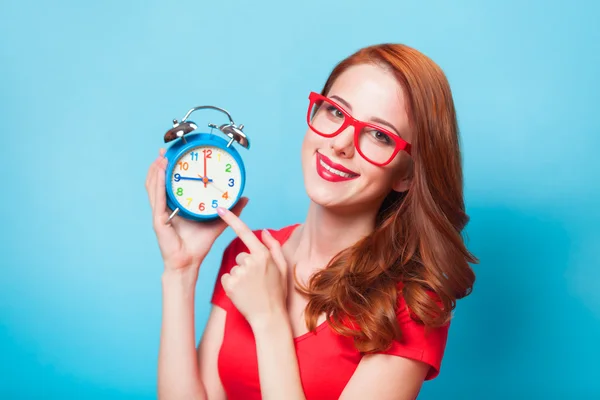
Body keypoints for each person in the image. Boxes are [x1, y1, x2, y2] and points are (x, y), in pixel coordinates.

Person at [145, 43, 477, 400]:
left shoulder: (411, 306)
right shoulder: (249, 254)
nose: (341, 144)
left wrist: (269, 320)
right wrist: (181, 271)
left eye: (379, 135)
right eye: (335, 113)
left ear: (408, 175)